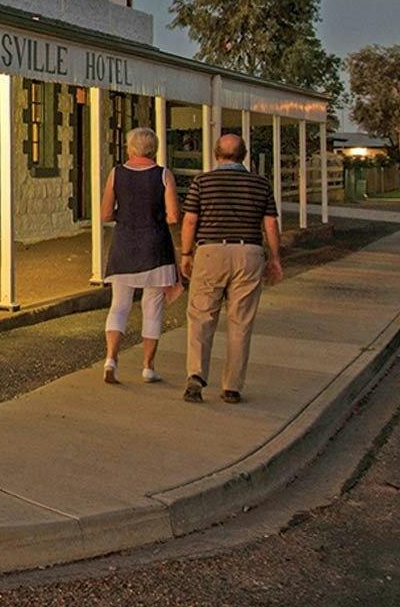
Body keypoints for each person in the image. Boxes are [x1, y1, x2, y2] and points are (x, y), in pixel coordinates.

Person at [178, 131, 284, 404]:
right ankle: (232, 386)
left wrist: (186, 253)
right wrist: (275, 258)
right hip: (248, 252)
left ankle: (196, 375)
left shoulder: (202, 182)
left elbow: (190, 220)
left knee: (201, 316)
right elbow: (270, 223)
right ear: (244, 155)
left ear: (216, 155)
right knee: (240, 321)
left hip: (211, 251)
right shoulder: (260, 184)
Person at [100, 126, 181, 384]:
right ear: (153, 149)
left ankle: (111, 359)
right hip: (155, 247)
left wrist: (123, 216)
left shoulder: (116, 173)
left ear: (130, 148)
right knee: (152, 307)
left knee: (119, 305)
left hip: (124, 244)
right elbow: (173, 216)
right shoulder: (163, 175)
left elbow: (105, 213)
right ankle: (147, 367)